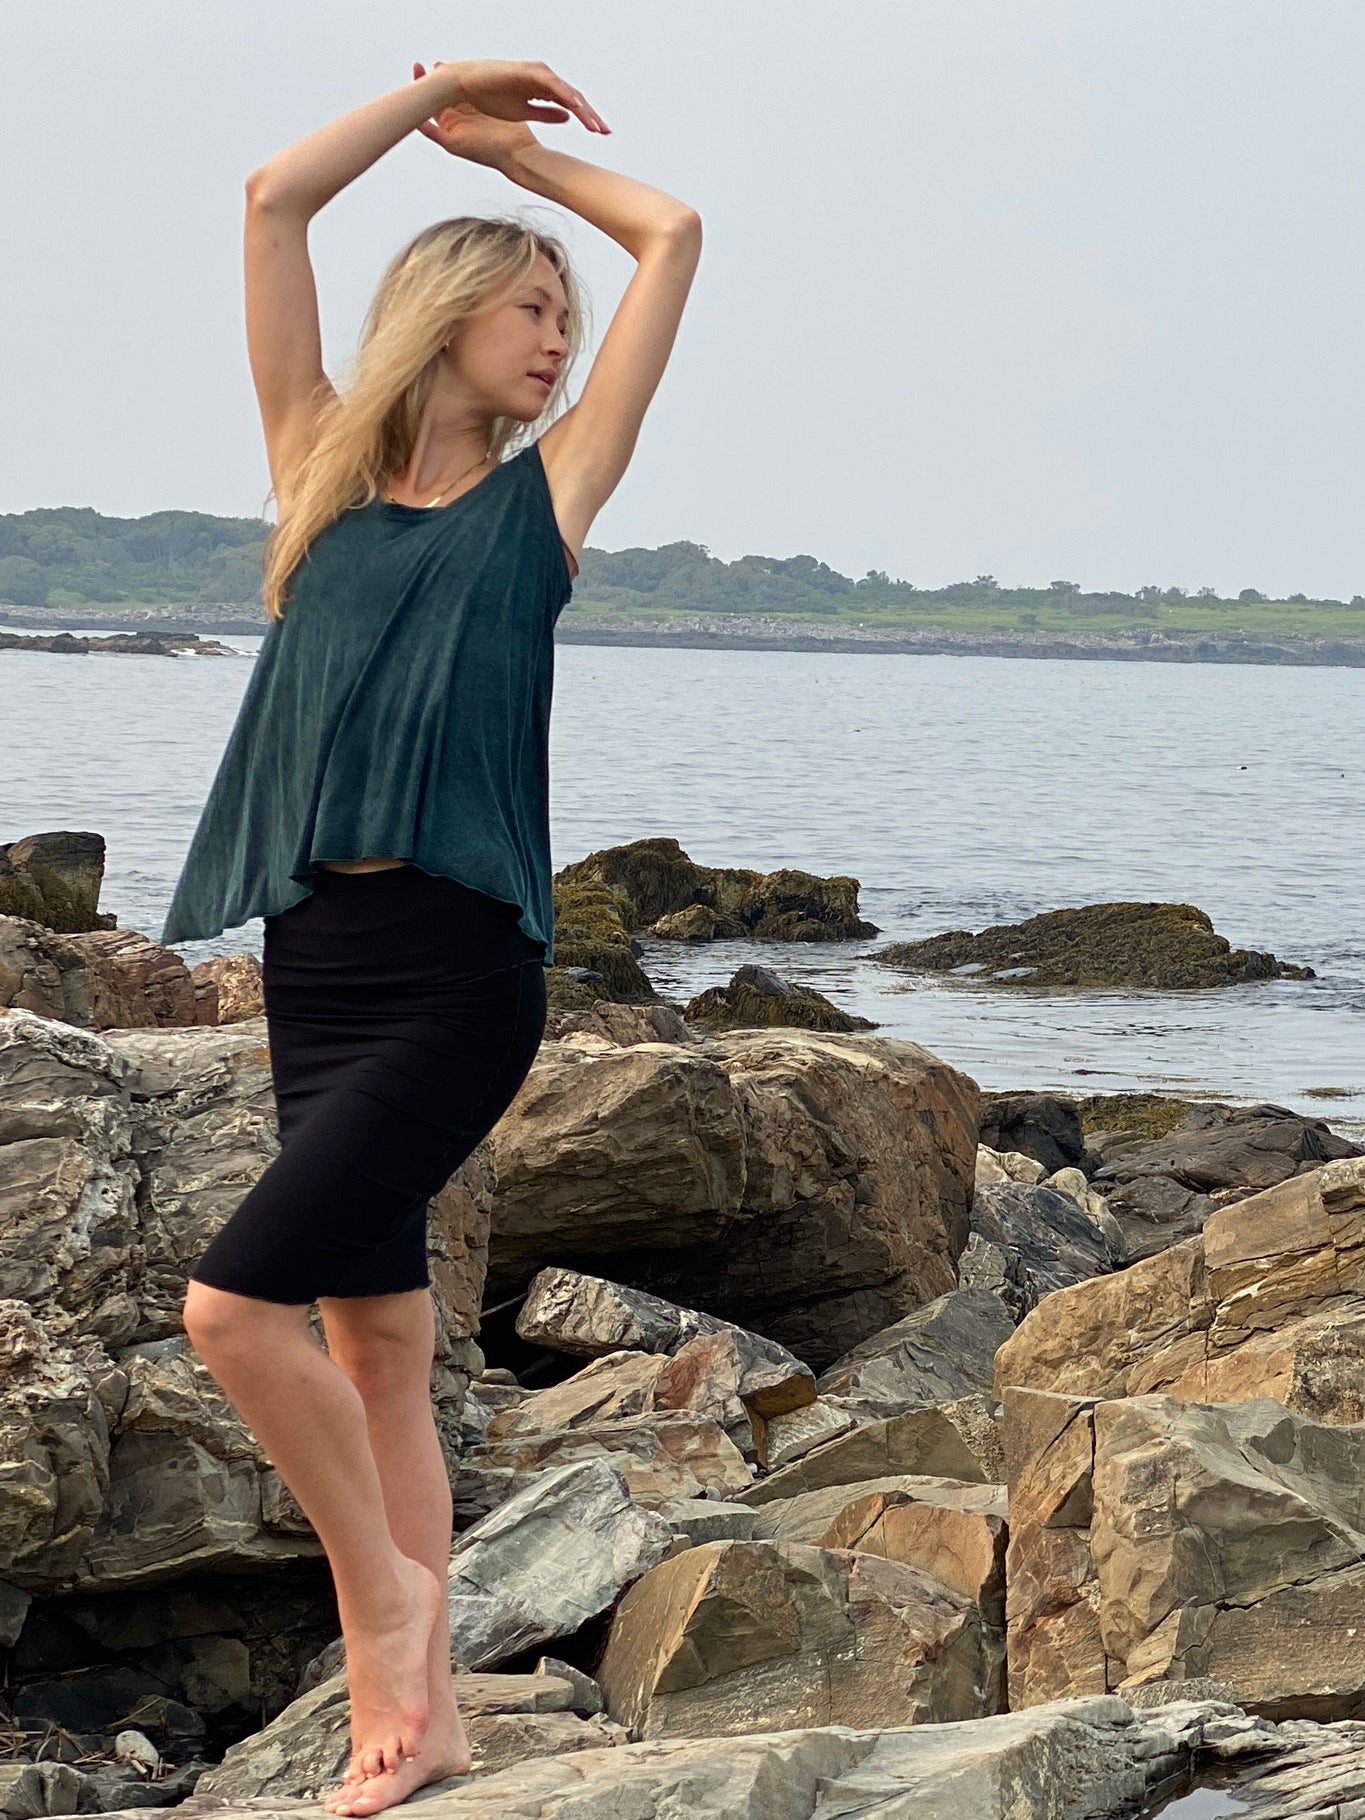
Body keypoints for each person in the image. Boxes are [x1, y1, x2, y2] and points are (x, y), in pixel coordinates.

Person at [161, 58, 700, 1818]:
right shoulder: (313, 470)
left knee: (232, 1313)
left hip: (465, 971)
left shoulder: (538, 511)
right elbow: (271, 202)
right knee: (377, 1342)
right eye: (532, 309)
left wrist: (523, 155)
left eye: (566, 314)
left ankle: (390, 1619)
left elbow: (674, 227)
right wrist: (424, 107)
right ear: (449, 316)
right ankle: (433, 1715)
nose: (558, 339)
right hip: (318, 955)